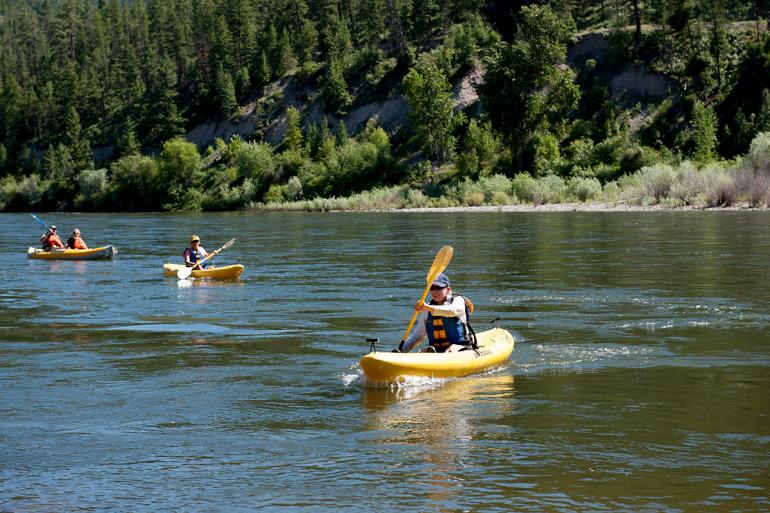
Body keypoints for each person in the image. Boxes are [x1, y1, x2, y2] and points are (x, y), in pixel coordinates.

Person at [395, 273, 476, 353]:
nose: (435, 291)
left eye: (439, 287)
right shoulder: (427, 308)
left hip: (461, 347)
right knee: (422, 351)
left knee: (451, 350)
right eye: (432, 288)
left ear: (448, 290)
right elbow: (418, 335)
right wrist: (401, 350)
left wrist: (428, 308)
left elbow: (452, 311)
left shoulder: (458, 300)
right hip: (436, 349)